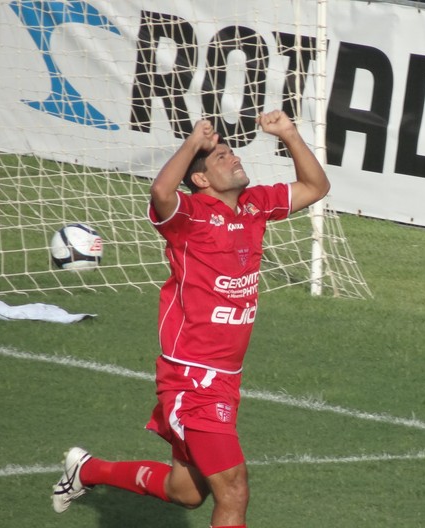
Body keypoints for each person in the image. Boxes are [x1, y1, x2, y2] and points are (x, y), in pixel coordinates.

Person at [50, 110, 330, 528]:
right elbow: (162, 191)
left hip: (225, 378)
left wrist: (289, 134)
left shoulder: (254, 206)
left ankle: (86, 470)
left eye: (232, 153)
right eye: (220, 158)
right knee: (234, 489)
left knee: (187, 492)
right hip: (193, 380)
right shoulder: (190, 216)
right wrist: (191, 145)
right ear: (200, 179)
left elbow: (315, 186)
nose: (234, 159)